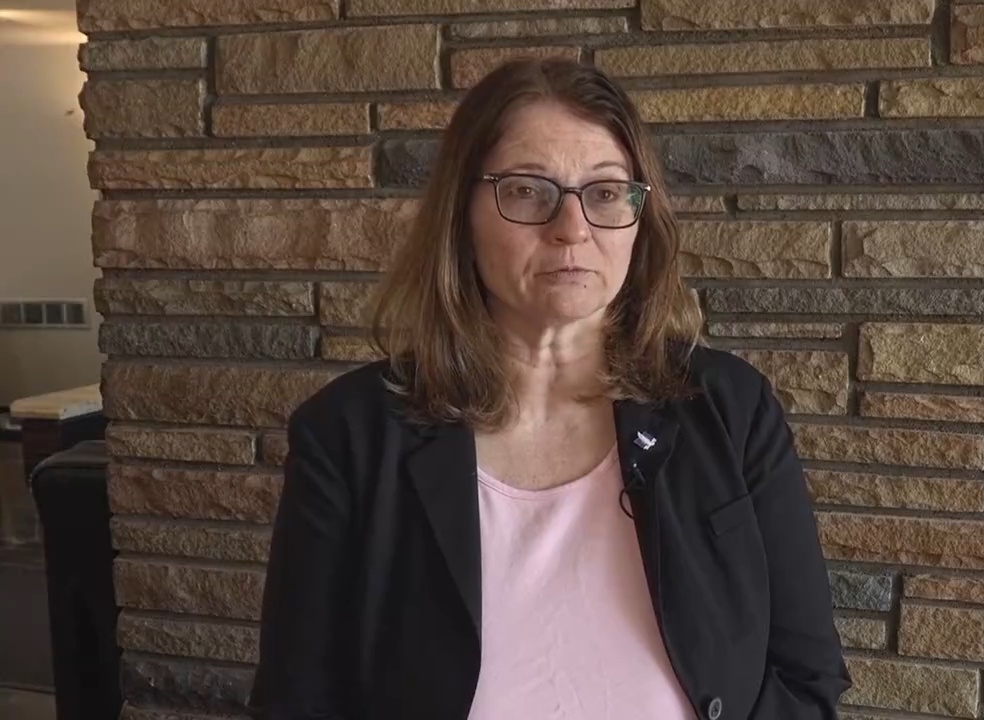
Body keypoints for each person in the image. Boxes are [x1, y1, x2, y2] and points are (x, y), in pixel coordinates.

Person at [248, 58, 850, 720]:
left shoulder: (731, 409)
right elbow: (297, 703)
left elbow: (805, 675)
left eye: (606, 192)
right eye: (528, 190)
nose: (572, 228)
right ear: (461, 215)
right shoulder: (348, 436)